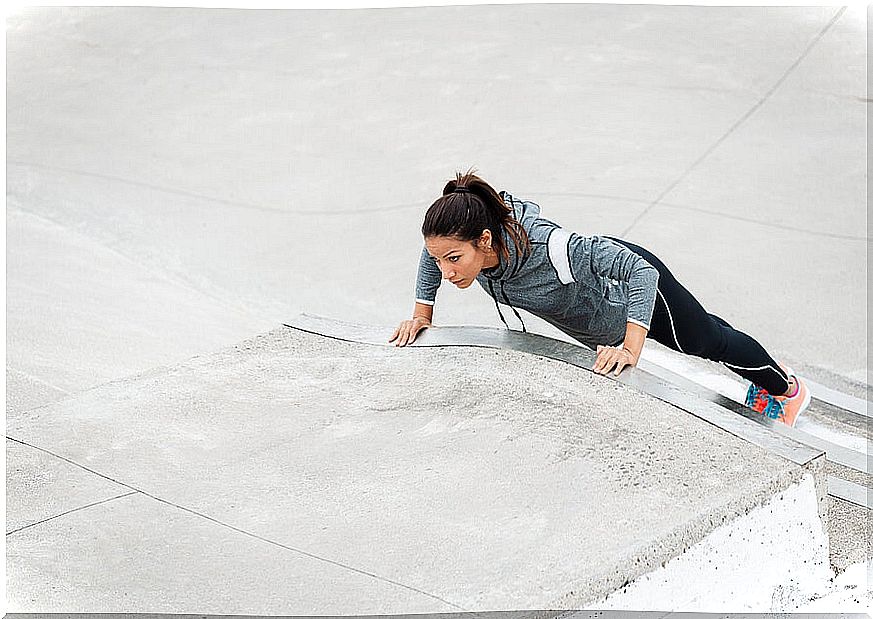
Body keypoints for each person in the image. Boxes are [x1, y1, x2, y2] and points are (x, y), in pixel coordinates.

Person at [389, 170, 811, 427]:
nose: (446, 270)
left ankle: (787, 390)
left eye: (454, 259)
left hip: (635, 290)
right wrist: (421, 313)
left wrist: (631, 346)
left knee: (705, 342)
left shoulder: (553, 249)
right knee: (705, 325)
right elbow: (433, 255)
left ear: (484, 240)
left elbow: (641, 272)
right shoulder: (470, 250)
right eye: (440, 259)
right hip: (607, 314)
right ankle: (760, 371)